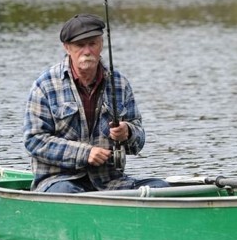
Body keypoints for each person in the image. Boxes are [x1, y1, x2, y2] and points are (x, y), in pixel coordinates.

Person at [23, 13, 169, 193]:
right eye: (80, 45)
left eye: (92, 44)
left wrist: (128, 132)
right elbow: (34, 141)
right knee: (68, 193)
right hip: (58, 181)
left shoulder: (119, 84)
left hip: (110, 183)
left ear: (101, 45)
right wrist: (84, 153)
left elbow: (138, 142)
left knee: (161, 189)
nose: (87, 51)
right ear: (67, 48)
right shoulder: (44, 85)